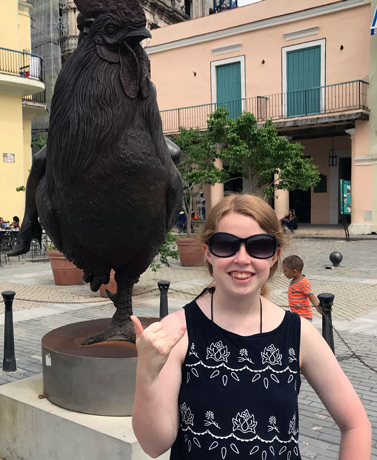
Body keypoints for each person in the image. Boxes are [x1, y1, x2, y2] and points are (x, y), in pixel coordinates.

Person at [131, 194, 371, 459]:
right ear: (208, 252)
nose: (242, 259)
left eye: (258, 246)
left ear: (274, 256)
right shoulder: (177, 331)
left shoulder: (298, 333)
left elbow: (356, 424)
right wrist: (147, 375)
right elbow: (154, 445)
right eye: (226, 244)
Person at [283, 255, 323, 321]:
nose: (284, 273)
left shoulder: (303, 282)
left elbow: (312, 297)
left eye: (285, 271)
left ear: (294, 271)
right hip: (296, 316)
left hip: (304, 317)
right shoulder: (294, 280)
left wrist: (319, 309)